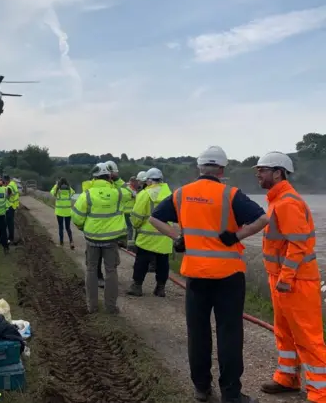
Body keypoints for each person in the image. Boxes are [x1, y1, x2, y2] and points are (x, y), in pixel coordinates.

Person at [149, 145, 268, 403]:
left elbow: (154, 218)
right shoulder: (231, 194)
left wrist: (177, 237)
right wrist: (236, 236)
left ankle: (202, 388)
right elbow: (262, 219)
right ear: (222, 170)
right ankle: (231, 394)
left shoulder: (182, 194)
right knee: (229, 333)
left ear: (199, 168)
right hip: (229, 276)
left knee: (198, 332)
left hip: (195, 275)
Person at [254, 152, 326, 400]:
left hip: (296, 281)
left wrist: (285, 278)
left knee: (308, 337)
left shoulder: (288, 203)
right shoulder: (277, 200)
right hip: (283, 279)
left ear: (278, 172)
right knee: (283, 332)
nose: (258, 174)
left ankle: (320, 393)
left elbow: (298, 245)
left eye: (262, 170)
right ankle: (287, 379)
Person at [72, 162, 127, 314]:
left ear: (94, 178)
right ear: (110, 176)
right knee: (111, 272)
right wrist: (116, 178)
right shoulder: (118, 193)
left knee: (91, 271)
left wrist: (83, 227)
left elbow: (76, 217)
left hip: (92, 239)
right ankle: (110, 307)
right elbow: (131, 191)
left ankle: (92, 306)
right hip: (111, 240)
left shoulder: (87, 195)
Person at [127, 167, 172, 297]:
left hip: (147, 237)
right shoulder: (170, 194)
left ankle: (137, 286)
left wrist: (136, 226)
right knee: (163, 263)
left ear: (149, 181)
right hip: (165, 236)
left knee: (141, 262)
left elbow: (137, 216)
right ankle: (160, 288)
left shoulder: (145, 194)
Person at [50, 177, 75, 249]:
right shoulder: (69, 190)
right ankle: (71, 241)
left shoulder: (57, 190)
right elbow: (73, 192)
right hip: (68, 212)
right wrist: (69, 186)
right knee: (68, 228)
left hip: (59, 212)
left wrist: (56, 185)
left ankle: (61, 243)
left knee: (61, 227)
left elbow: (52, 192)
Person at [3, 175, 20, 244]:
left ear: (6, 180)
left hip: (10, 207)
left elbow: (6, 197)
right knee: (10, 222)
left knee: (9, 223)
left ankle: (10, 238)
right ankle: (10, 237)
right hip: (14, 206)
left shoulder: (9, 187)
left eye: (4, 181)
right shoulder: (13, 184)